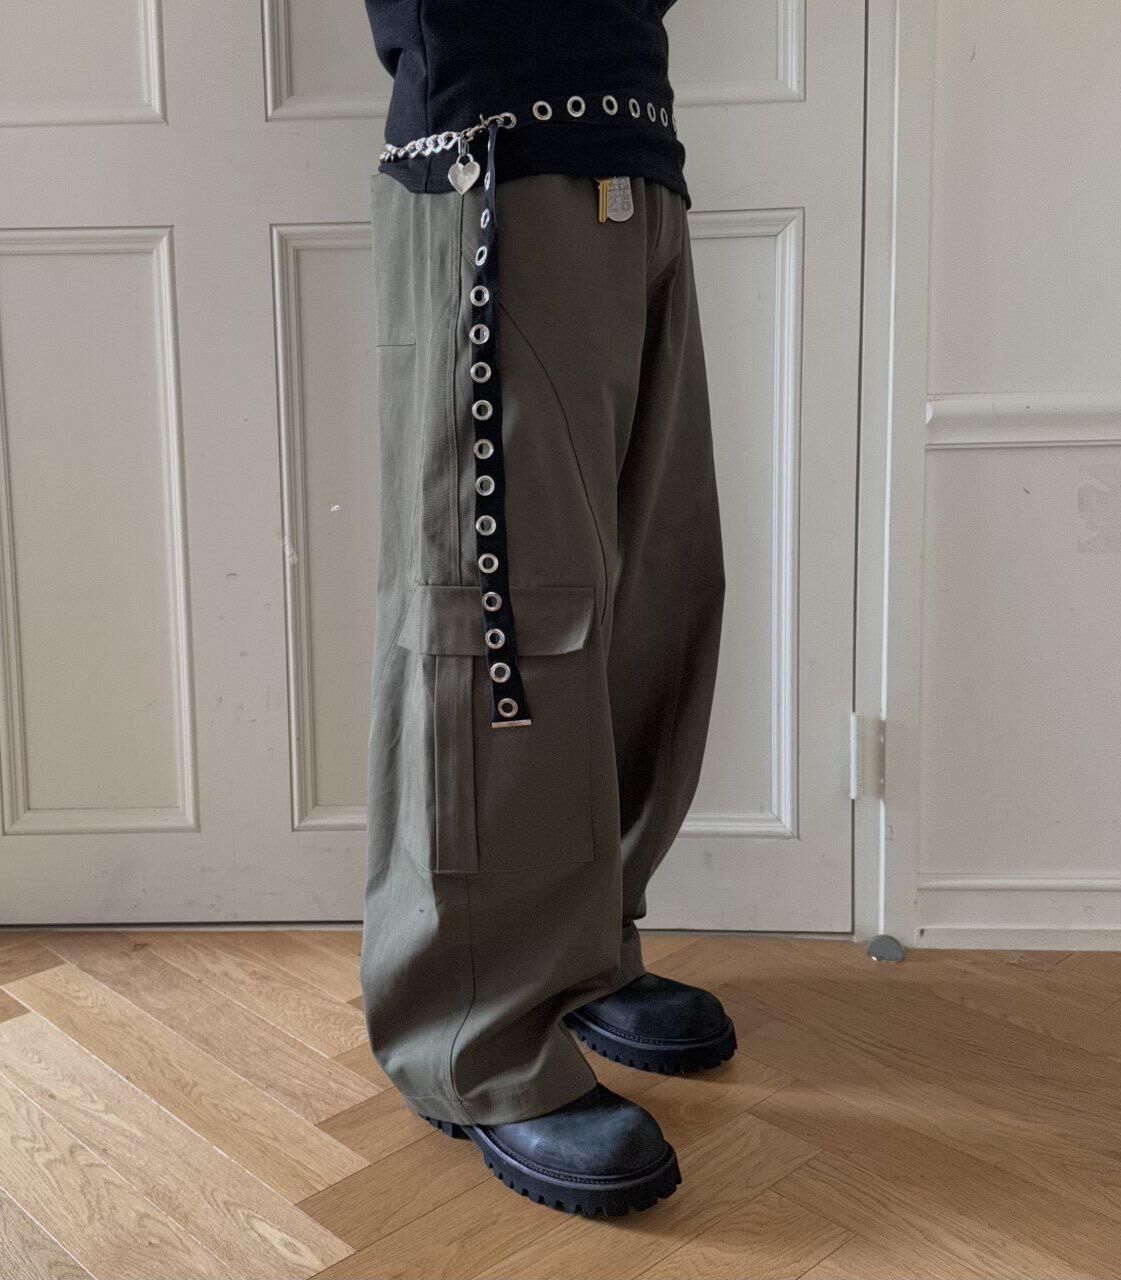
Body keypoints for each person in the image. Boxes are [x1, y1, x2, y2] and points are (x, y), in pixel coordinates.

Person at [359, 0, 732, 1217]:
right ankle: (473, 1030)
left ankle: (579, 950)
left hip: (636, 165)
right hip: (489, 152)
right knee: (503, 616)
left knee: (649, 593)